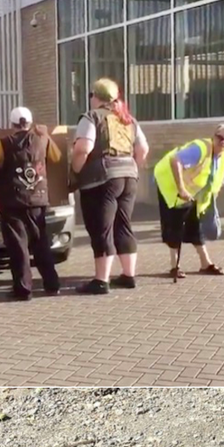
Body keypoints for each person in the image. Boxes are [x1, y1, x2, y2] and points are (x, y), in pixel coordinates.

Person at [71, 78, 149, 295]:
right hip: (129, 176)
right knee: (123, 224)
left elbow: (83, 148)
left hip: (102, 179)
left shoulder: (91, 117)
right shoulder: (129, 120)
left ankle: (101, 280)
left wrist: (76, 170)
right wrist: (132, 166)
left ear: (96, 97)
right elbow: (143, 149)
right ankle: (128, 275)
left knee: (102, 228)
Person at [0, 106, 62, 300]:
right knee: (41, 243)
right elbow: (57, 157)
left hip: (12, 202)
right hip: (38, 200)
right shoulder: (42, 140)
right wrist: (47, 135)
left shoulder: (2, 144)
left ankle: (23, 289)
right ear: (30, 123)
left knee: (18, 247)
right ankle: (52, 284)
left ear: (11, 125)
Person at [153, 124, 224, 280]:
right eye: (219, 137)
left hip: (194, 193)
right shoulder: (200, 148)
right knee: (175, 225)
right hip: (170, 185)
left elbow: (218, 183)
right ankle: (174, 266)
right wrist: (181, 189)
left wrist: (207, 202)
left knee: (195, 225)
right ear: (214, 136)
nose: (223, 142)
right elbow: (175, 160)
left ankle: (205, 263)